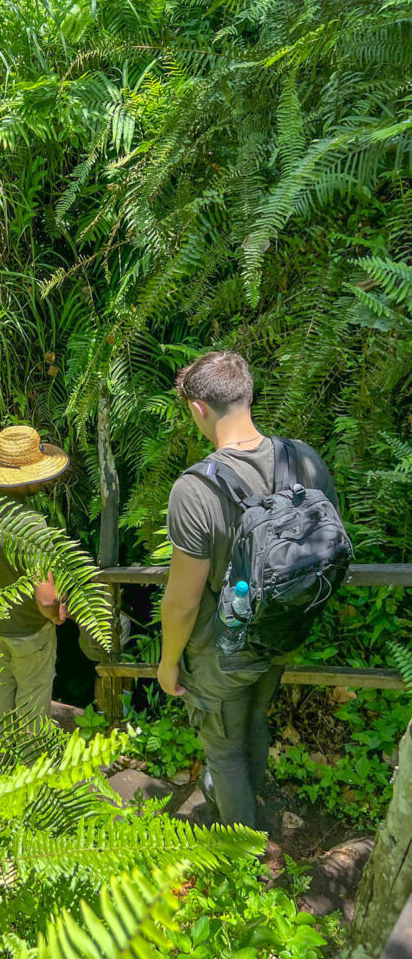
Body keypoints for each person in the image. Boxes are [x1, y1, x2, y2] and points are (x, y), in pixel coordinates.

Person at [157, 351, 339, 828]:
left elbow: (182, 603)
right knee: (256, 719)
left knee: (224, 747)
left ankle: (241, 857)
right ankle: (252, 816)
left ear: (198, 409)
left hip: (224, 649)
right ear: (249, 395)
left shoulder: (195, 491)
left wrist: (169, 661)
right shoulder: (304, 458)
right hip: (286, 630)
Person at [0, 425, 69, 732]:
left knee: (2, 685)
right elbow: (47, 597)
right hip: (26, 629)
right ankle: (31, 762)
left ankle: (3, 752)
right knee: (32, 693)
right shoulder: (29, 524)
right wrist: (57, 615)